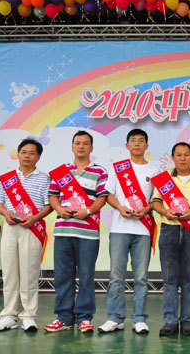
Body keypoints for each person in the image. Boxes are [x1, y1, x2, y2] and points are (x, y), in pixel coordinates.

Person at [44, 130, 108, 333]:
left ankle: (84, 318)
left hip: (88, 233)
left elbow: (102, 198)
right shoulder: (62, 172)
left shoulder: (100, 172)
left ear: (91, 148)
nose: (81, 146)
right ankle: (64, 317)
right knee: (63, 276)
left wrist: (87, 211)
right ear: (72, 147)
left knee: (86, 276)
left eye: (85, 143)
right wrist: (59, 209)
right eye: (77, 143)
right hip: (63, 231)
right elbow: (53, 196)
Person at [98, 129, 161, 334]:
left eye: (141, 140)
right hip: (119, 228)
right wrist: (120, 207)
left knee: (141, 277)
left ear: (147, 145)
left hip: (143, 230)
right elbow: (108, 194)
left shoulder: (155, 170)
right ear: (127, 145)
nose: (137, 144)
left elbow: (157, 199)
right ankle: (114, 318)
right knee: (116, 276)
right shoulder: (118, 168)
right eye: (133, 140)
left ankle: (139, 319)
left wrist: (147, 208)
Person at [151, 142, 190, 337]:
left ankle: (187, 321)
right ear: (173, 157)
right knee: (169, 278)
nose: (183, 158)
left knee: (189, 278)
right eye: (179, 155)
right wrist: (165, 212)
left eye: (186, 154)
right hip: (169, 229)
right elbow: (155, 202)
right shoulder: (164, 179)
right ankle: (170, 321)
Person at [0, 138, 52, 332]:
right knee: (9, 272)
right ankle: (9, 315)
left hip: (32, 228)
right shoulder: (8, 178)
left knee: (29, 273)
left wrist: (35, 218)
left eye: (32, 153)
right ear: (18, 155)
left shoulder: (45, 178)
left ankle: (28, 316)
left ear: (38, 157)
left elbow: (49, 205)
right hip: (11, 226)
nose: (27, 156)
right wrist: (5, 213)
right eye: (24, 152)